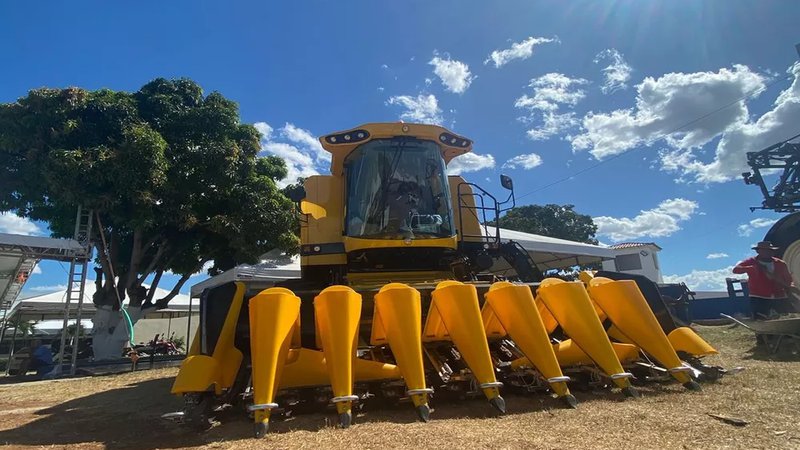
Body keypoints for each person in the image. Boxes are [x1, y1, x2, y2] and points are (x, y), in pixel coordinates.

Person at [732, 241, 799, 319]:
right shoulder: (751, 261)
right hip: (759, 297)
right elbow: (736, 270)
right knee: (760, 318)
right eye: (765, 250)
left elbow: (788, 279)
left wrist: (790, 287)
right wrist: (752, 268)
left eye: (770, 250)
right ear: (758, 251)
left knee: (787, 316)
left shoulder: (781, 263)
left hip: (779, 296)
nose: (768, 252)